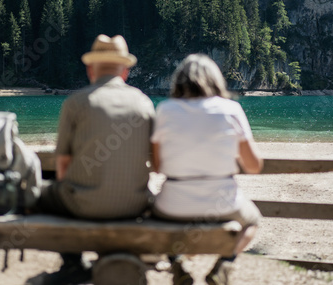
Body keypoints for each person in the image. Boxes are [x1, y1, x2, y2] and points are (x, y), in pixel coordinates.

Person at [32, 34, 155, 284]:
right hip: (135, 205)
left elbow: (63, 164)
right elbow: (154, 160)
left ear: (90, 69)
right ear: (126, 71)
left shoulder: (76, 103)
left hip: (84, 205)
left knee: (44, 191)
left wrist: (72, 192)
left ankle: (73, 265)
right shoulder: (144, 103)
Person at [151, 54, 263, 285]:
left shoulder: (165, 110)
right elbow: (253, 166)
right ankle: (224, 265)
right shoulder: (231, 109)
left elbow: (158, 166)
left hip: (173, 205)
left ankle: (176, 264)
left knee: (151, 216)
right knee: (252, 222)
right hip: (222, 204)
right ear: (216, 81)